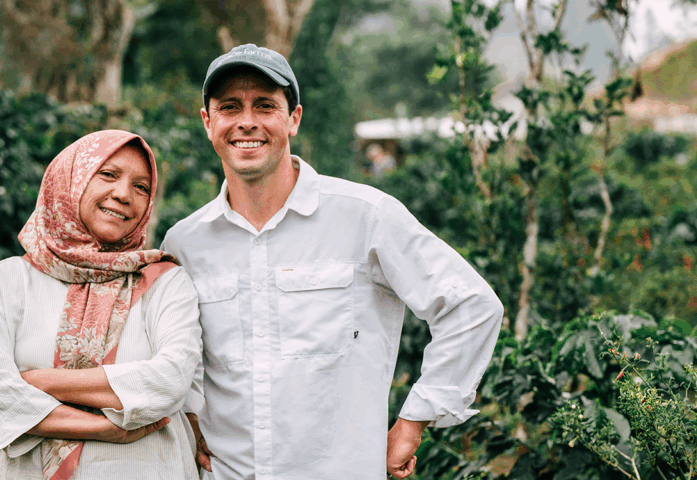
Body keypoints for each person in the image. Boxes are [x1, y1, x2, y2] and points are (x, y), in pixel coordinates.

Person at [160, 44, 504, 480]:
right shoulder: (186, 241)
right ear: (208, 122)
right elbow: (181, 355)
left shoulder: (366, 216)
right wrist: (189, 417)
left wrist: (414, 422)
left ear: (294, 118)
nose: (247, 121)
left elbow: (470, 305)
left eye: (265, 105)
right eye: (230, 107)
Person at [0, 130, 204, 480]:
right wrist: (103, 429)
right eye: (107, 174)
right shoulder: (7, 281)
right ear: (70, 180)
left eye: (141, 187)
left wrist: (38, 381)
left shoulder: (164, 281)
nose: (123, 195)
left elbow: (170, 380)